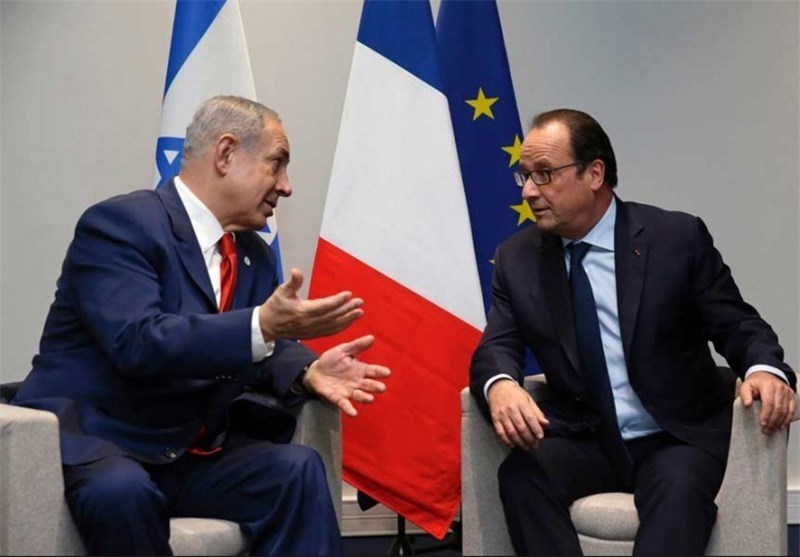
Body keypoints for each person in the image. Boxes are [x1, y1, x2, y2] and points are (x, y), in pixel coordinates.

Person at [12, 95, 391, 556]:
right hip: (103, 441)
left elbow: (254, 344)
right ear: (226, 154)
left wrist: (307, 371)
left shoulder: (252, 254)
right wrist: (262, 326)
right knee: (122, 491)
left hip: (185, 455)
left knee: (297, 470)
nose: (287, 186)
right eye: (276, 164)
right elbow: (139, 342)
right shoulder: (121, 225)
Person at [470, 108, 796, 556]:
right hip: (587, 437)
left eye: (544, 174)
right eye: (525, 176)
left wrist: (763, 369)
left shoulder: (675, 238)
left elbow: (738, 324)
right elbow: (497, 345)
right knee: (522, 476)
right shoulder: (518, 258)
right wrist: (501, 385)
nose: (529, 191)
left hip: (675, 436)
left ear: (594, 173)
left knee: (678, 493)